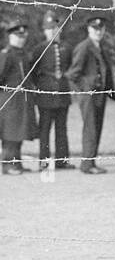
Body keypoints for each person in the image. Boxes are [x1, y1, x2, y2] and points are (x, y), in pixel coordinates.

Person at [67, 14, 115, 174]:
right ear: (89, 29)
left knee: (96, 127)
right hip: (89, 95)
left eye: (101, 28)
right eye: (95, 28)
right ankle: (87, 164)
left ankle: (91, 161)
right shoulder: (84, 47)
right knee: (90, 128)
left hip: (99, 94)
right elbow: (72, 74)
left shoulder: (100, 46)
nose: (98, 31)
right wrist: (85, 89)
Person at [33, 9, 74, 170]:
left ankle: (62, 161)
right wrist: (41, 86)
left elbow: (70, 68)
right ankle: (44, 162)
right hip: (45, 95)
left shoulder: (67, 48)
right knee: (44, 130)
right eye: (49, 29)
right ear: (44, 31)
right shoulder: (39, 49)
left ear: (60, 29)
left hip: (63, 93)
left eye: (55, 28)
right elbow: (33, 72)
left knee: (62, 129)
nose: (52, 32)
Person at [0, 16, 37, 173]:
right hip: (9, 101)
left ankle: (17, 163)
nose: (21, 40)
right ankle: (8, 165)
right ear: (10, 36)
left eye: (23, 37)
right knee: (10, 133)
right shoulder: (6, 54)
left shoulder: (22, 54)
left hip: (22, 101)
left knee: (19, 132)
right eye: (17, 36)